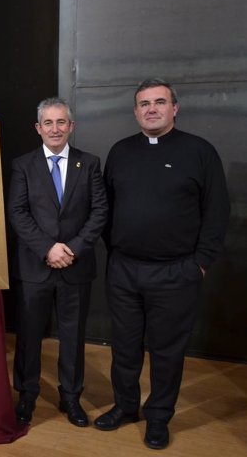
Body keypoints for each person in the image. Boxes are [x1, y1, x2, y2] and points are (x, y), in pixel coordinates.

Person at [95, 78, 230, 449]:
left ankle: (158, 416)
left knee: (167, 351)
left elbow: (217, 213)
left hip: (176, 272)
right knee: (123, 346)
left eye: (159, 102)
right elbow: (106, 209)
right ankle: (125, 407)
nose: (151, 109)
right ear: (135, 111)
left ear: (175, 108)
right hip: (124, 270)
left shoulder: (200, 151)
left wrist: (199, 264)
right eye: (144, 103)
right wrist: (116, 251)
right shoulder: (120, 151)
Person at [7, 97, 107, 428]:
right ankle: (26, 395)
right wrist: (48, 248)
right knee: (29, 336)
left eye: (61, 122)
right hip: (35, 265)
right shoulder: (23, 165)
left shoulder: (89, 163)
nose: (55, 128)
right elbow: (17, 213)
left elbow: (99, 212)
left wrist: (72, 249)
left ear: (71, 126)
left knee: (73, 336)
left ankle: (72, 398)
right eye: (48, 123)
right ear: (38, 128)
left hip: (76, 267)